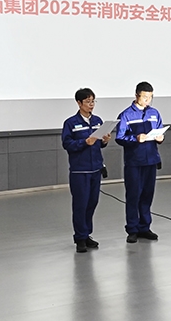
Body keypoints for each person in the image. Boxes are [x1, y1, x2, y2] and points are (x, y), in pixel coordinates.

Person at [61, 88, 111, 253]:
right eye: (88, 101)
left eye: (93, 101)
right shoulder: (70, 123)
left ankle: (86, 233)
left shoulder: (98, 121)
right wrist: (84, 142)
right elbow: (67, 144)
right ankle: (80, 238)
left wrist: (104, 141)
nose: (91, 105)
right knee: (80, 205)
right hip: (79, 171)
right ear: (79, 103)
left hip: (95, 169)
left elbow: (99, 144)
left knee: (92, 203)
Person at [116, 82, 164, 244]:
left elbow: (159, 130)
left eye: (150, 97)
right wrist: (135, 138)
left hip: (151, 160)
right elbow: (120, 138)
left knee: (147, 195)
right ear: (137, 95)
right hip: (134, 162)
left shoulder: (154, 113)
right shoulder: (126, 115)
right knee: (133, 195)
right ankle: (132, 229)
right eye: (144, 97)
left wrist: (160, 138)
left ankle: (145, 227)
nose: (147, 100)